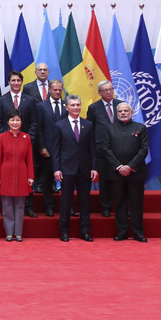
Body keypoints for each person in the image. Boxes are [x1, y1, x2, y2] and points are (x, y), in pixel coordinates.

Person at [51, 95, 97, 242]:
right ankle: (64, 231)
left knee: (85, 202)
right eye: (73, 105)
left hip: (85, 169)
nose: (76, 107)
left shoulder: (88, 125)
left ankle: (85, 231)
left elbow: (92, 148)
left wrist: (94, 167)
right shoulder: (59, 125)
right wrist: (56, 169)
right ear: (66, 107)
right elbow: (56, 149)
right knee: (65, 202)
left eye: (78, 105)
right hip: (66, 169)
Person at [101, 102, 149, 242]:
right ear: (116, 114)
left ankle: (138, 232)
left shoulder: (140, 128)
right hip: (116, 173)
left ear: (131, 112)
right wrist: (119, 166)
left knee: (136, 203)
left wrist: (130, 166)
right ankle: (122, 232)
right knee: (120, 203)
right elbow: (106, 149)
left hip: (136, 172)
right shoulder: (109, 128)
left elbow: (144, 149)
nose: (123, 113)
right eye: (120, 111)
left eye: (125, 111)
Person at [0, 70, 39, 217]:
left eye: (18, 80)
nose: (16, 83)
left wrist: (28, 138)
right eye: (13, 80)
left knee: (27, 174)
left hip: (25, 144)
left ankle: (28, 206)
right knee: (8, 175)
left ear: (22, 82)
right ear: (9, 82)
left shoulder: (30, 100)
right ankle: (7, 208)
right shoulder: (2, 100)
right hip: (7, 143)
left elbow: (34, 121)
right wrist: (7, 137)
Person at [0, 109, 34, 242]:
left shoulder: (26, 137)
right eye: (12, 120)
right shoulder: (2, 137)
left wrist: (30, 176)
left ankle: (18, 232)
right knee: (7, 205)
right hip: (5, 173)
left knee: (20, 205)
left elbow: (30, 159)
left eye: (17, 120)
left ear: (21, 122)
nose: (15, 123)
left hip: (22, 173)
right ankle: (9, 232)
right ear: (8, 122)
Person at [87, 80, 122, 217]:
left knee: (120, 182)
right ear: (99, 92)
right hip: (102, 151)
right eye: (105, 90)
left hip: (120, 150)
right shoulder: (93, 108)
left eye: (110, 89)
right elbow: (90, 130)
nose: (108, 92)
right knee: (105, 181)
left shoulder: (121, 105)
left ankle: (120, 207)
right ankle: (106, 207)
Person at [33, 80, 66, 215]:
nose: (57, 92)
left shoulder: (67, 105)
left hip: (66, 149)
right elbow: (38, 128)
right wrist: (41, 147)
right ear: (49, 90)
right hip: (48, 149)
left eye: (60, 90)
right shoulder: (41, 106)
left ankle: (68, 207)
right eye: (55, 89)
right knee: (47, 180)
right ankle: (49, 207)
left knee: (68, 180)